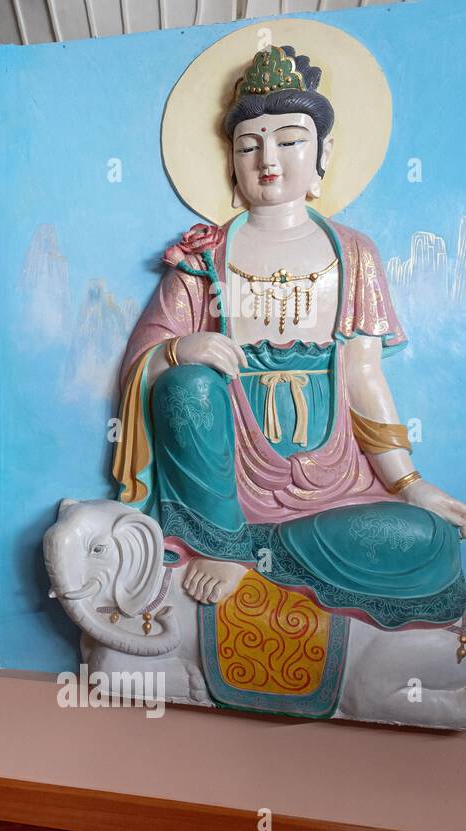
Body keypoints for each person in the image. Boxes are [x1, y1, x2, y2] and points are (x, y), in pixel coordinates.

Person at [112, 45, 466, 628]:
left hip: (334, 482)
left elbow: (363, 374)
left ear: (322, 154)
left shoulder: (352, 254)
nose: (267, 159)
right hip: (227, 485)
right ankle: (222, 542)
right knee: (185, 386)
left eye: (290, 140)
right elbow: (141, 366)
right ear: (231, 162)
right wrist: (182, 349)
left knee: (428, 537)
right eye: (249, 145)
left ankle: (254, 554)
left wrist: (409, 483)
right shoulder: (206, 257)